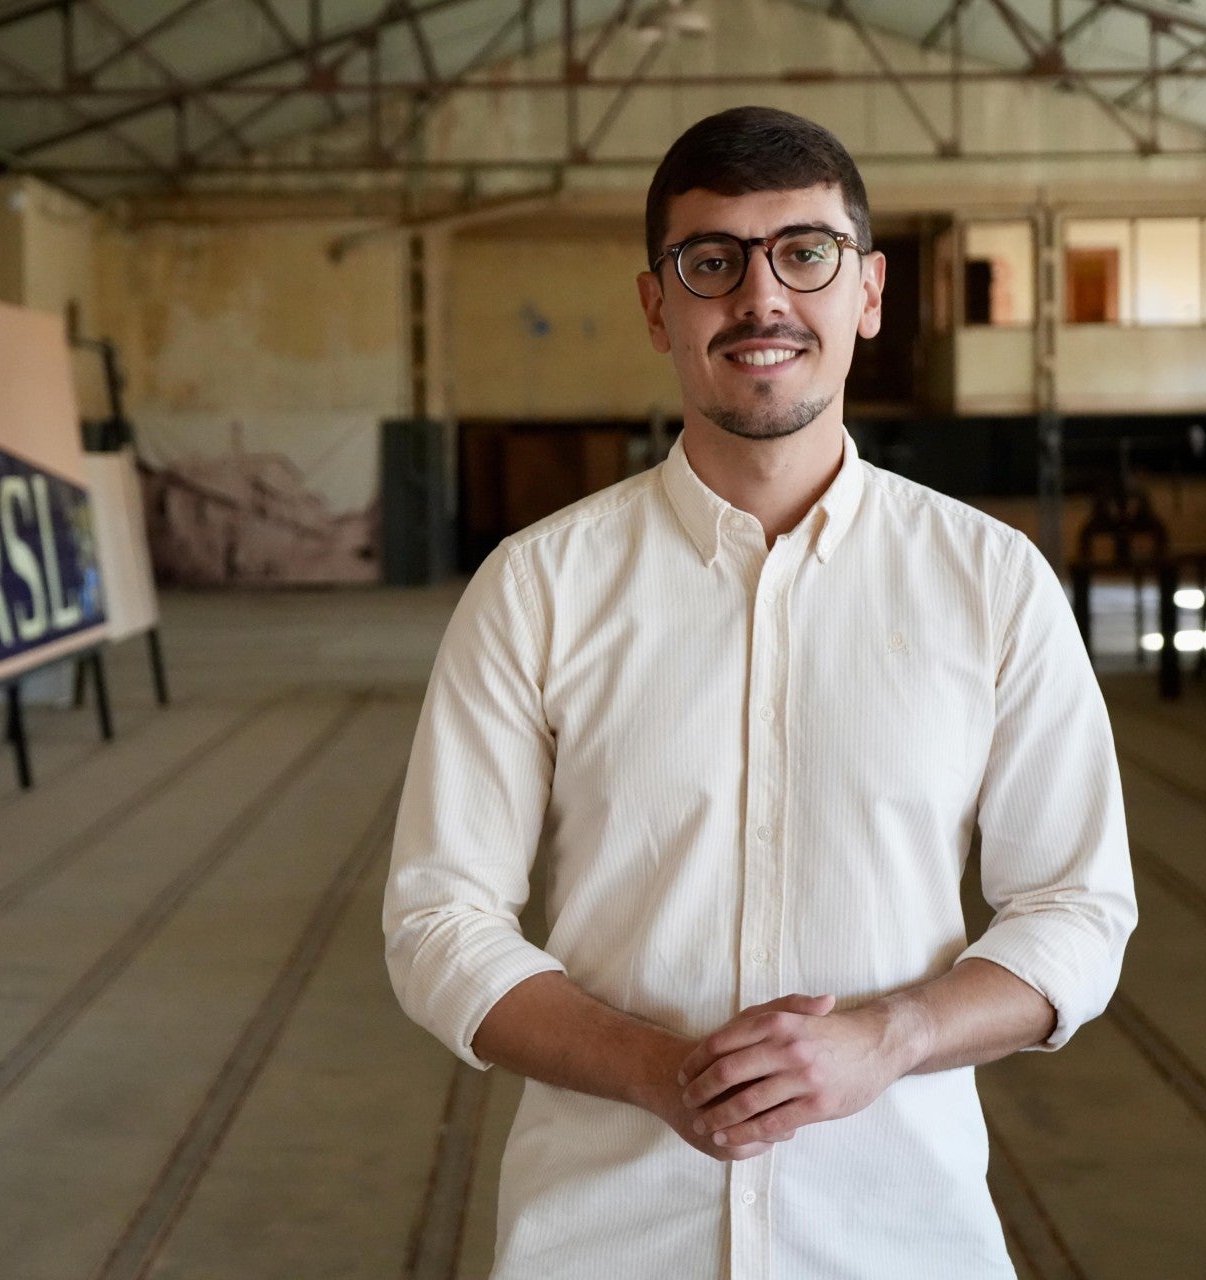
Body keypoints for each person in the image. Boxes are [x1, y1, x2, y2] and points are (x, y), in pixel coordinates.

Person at [382, 106, 1136, 1279]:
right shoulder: (537, 587)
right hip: (603, 1242)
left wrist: (894, 1036)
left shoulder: (990, 584)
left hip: (901, 1238)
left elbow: (1079, 909)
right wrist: (656, 1071)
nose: (762, 298)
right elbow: (438, 920)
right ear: (657, 304)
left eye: (805, 252)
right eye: (712, 261)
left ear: (869, 291)